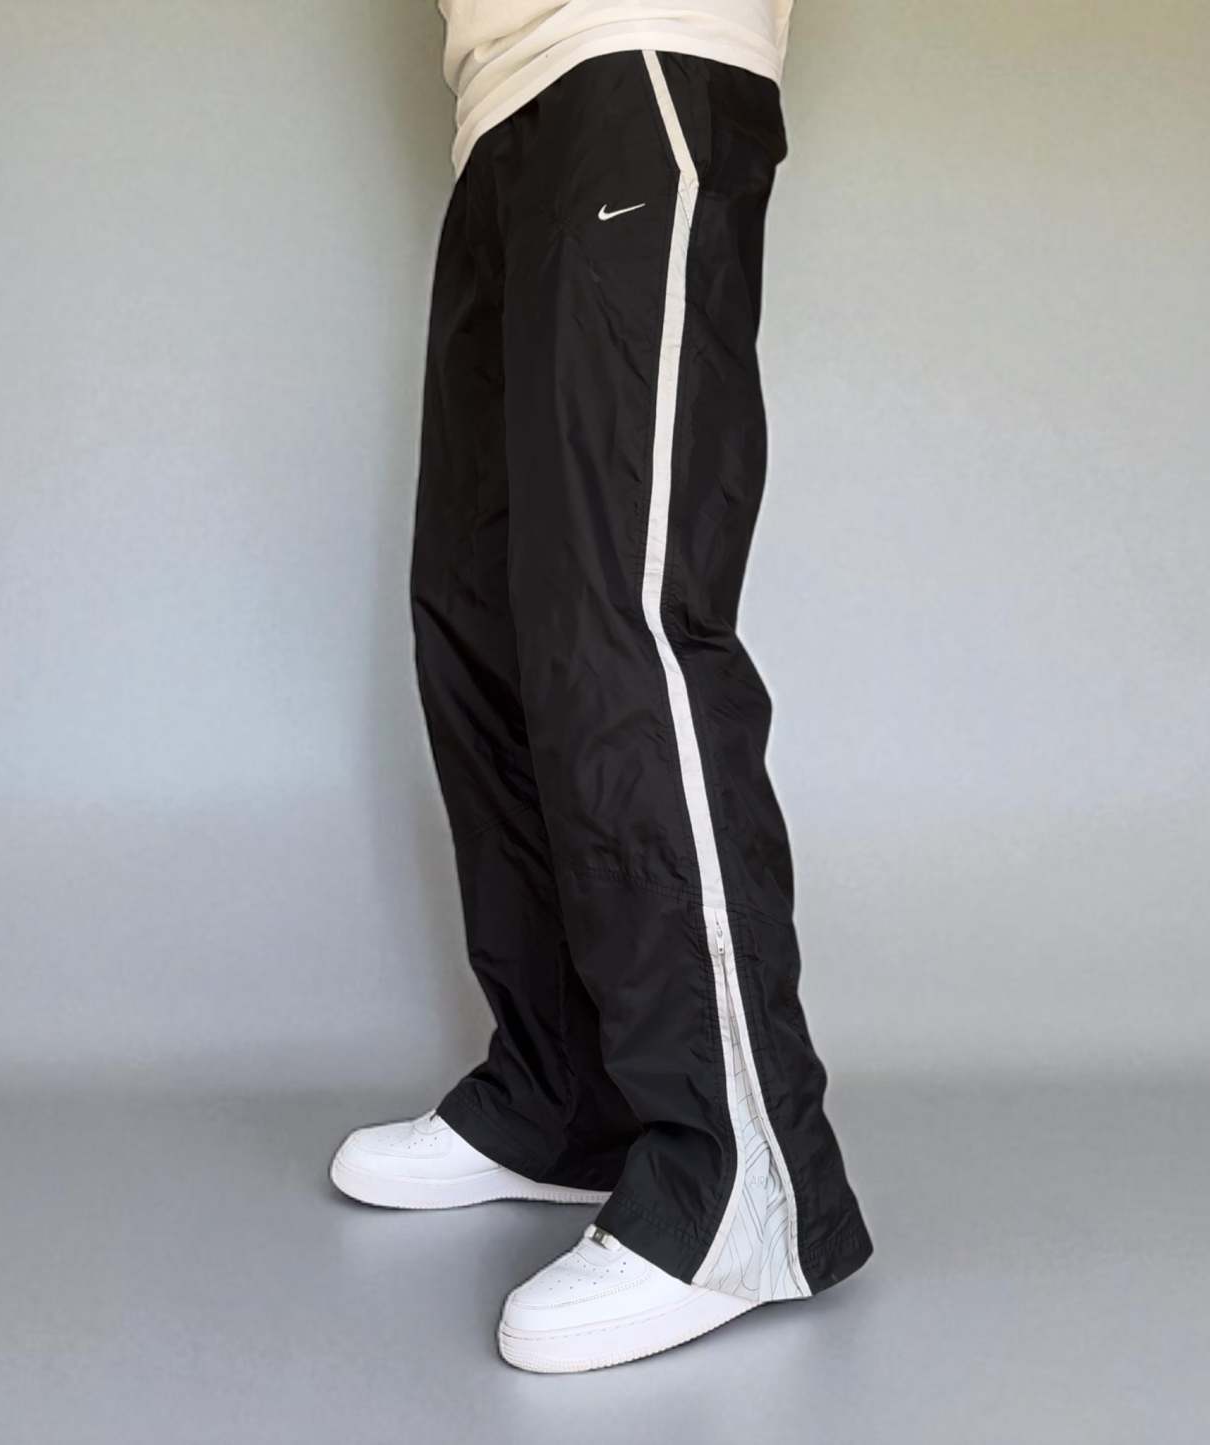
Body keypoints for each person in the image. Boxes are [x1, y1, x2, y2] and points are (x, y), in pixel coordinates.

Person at [332, 1, 872, 1373]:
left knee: (618, 621)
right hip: (495, 99)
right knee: (479, 624)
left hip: (639, 49)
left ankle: (738, 1178)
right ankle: (561, 1095)